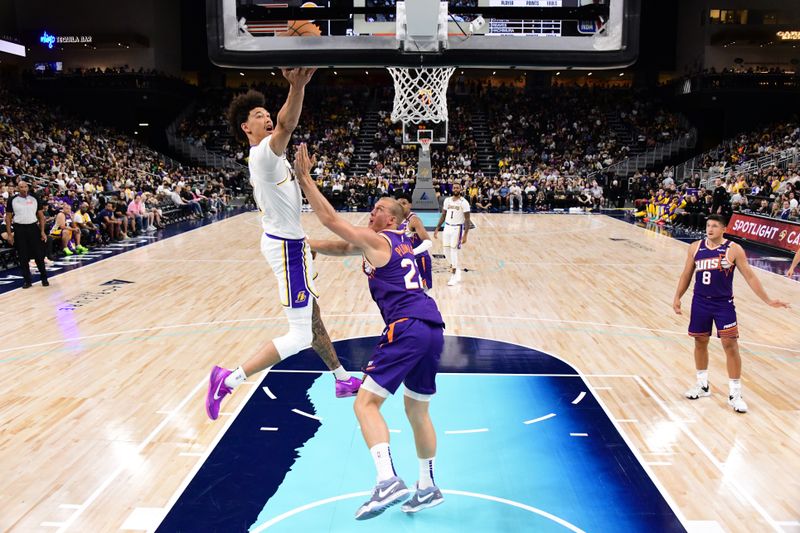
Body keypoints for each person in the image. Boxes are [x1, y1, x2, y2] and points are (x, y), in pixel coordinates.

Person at [294, 143, 446, 520]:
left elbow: (332, 222)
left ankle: (386, 479)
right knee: (417, 410)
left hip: (407, 327)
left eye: (379, 209)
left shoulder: (378, 240)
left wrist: (304, 179)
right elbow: (342, 245)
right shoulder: (400, 242)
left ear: (392, 220)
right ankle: (427, 486)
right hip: (432, 328)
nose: (372, 211)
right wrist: (307, 245)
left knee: (365, 402)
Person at [205, 69, 361, 420]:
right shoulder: (262, 154)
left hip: (291, 244)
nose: (267, 119)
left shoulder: (271, 159)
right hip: (287, 250)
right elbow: (287, 125)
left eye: (266, 113)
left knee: (313, 318)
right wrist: (298, 85)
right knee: (300, 336)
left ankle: (341, 377)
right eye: (259, 116)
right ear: (247, 128)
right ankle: (228, 380)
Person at [672, 214, 790, 413]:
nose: (710, 229)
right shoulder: (695, 247)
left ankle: (735, 392)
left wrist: (768, 300)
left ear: (724, 229)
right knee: (700, 341)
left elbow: (750, 276)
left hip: (723, 304)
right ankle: (702, 384)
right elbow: (686, 274)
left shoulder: (734, 249)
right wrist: (677, 297)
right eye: (708, 225)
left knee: (730, 344)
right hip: (700, 302)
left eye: (715, 226)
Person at [4, 180, 49, 288]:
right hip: (19, 229)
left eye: (25, 187)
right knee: (23, 257)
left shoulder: (35, 198)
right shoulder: (12, 200)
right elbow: (8, 218)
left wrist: (42, 231)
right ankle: (28, 281)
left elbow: (41, 216)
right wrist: (10, 234)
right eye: (21, 187)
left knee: (39, 255)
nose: (23, 189)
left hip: (33, 228)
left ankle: (44, 278)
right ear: (17, 189)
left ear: (28, 187)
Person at [433, 182, 471, 286]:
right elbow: (443, 215)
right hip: (447, 227)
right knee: (446, 251)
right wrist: (437, 228)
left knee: (453, 251)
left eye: (457, 188)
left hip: (457, 228)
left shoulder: (464, 202)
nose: (455, 189)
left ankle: (454, 275)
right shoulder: (447, 200)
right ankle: (456, 268)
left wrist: (465, 234)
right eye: (454, 187)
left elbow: (467, 220)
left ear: (461, 189)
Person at [396, 197, 433, 291]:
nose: (401, 206)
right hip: (407, 261)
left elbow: (428, 242)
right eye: (398, 204)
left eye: (404, 203)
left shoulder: (414, 220)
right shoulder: (397, 220)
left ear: (410, 205)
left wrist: (411, 252)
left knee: (423, 291)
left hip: (420, 259)